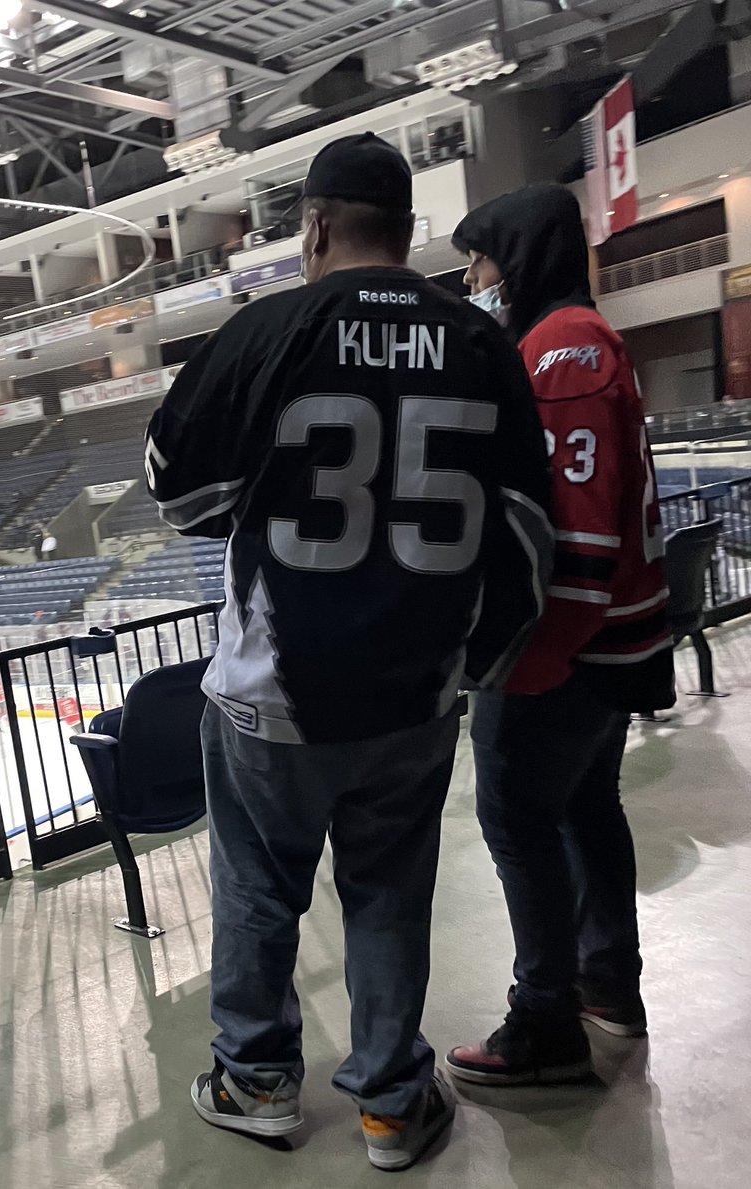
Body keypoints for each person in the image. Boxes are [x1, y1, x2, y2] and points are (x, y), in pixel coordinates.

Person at [145, 133, 554, 1172]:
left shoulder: (266, 329)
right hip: (415, 695)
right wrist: (476, 665)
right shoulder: (481, 339)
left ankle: (258, 1082)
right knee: (388, 892)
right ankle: (389, 1103)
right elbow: (527, 534)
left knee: (256, 887)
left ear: (315, 226)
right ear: (409, 230)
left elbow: (174, 486)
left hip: (271, 696)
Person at [445, 185, 675, 1087]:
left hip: (567, 651)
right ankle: (608, 982)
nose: (473, 279)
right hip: (604, 647)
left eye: (482, 260)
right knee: (585, 806)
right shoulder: (568, 340)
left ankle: (545, 1018)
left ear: (522, 254)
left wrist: (522, 660)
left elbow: (576, 542)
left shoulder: (564, 350)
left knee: (515, 815)